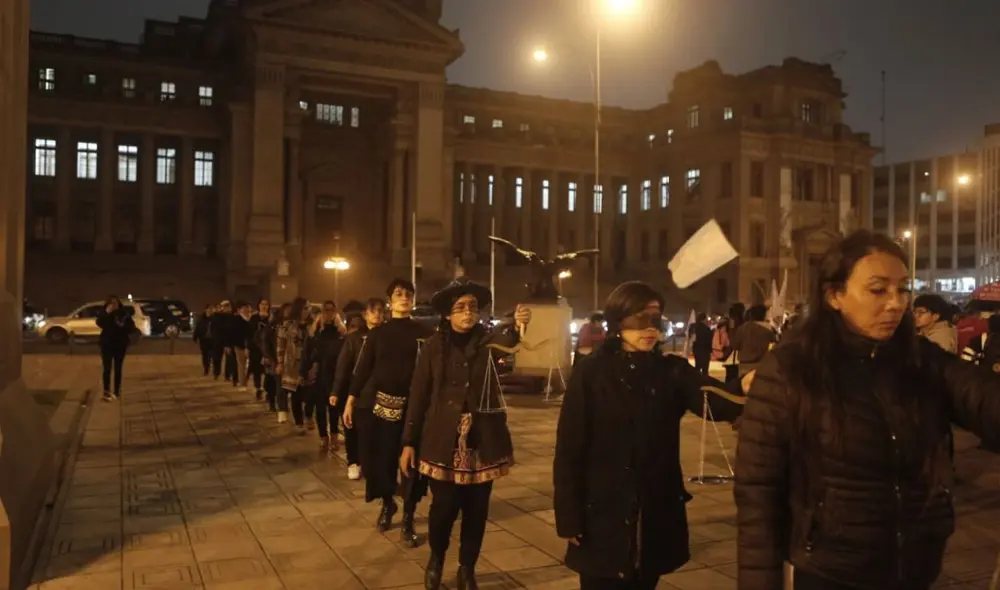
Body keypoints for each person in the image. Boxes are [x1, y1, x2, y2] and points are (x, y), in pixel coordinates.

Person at [734, 230, 1000, 590]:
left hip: (917, 569)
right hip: (831, 571)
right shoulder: (791, 370)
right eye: (878, 290)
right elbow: (758, 493)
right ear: (834, 295)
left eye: (903, 289)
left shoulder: (922, 362)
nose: (896, 303)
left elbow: (984, 399)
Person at [554, 281, 746, 590]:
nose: (650, 329)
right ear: (619, 322)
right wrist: (568, 515)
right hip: (600, 513)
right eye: (640, 318)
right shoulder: (591, 373)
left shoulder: (671, 372)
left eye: (656, 319)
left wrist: (751, 385)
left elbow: (717, 402)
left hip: (653, 511)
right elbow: (569, 449)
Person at [402, 278, 531, 590]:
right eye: (460, 307)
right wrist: (408, 442)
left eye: (472, 307)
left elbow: (508, 339)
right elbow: (419, 395)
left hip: (482, 440)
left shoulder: (488, 341)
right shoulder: (432, 347)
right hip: (442, 439)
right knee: (443, 507)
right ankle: (436, 559)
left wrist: (519, 325)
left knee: (477, 510)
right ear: (447, 314)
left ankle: (467, 568)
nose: (467, 313)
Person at [344, 278, 434, 548]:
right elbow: (362, 369)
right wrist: (350, 399)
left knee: (411, 466)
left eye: (408, 294)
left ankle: (408, 516)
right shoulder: (378, 334)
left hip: (415, 409)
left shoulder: (425, 333)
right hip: (382, 408)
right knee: (380, 464)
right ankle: (387, 505)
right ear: (390, 301)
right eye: (398, 294)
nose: (404, 297)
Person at [332, 297, 386, 481]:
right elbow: (343, 366)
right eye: (374, 311)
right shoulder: (355, 339)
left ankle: (371, 463)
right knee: (352, 428)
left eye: (380, 311)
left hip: (380, 391)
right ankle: (353, 461)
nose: (377, 315)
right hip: (356, 390)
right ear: (365, 315)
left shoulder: (388, 336)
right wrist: (336, 391)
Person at [301, 301, 345, 453]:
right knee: (320, 408)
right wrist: (304, 372)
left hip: (333, 375)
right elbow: (306, 355)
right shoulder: (314, 334)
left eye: (331, 311)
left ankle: (334, 435)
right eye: (326, 310)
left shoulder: (339, 334)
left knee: (333, 408)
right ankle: (323, 437)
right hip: (318, 376)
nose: (328, 313)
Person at [276, 297, 312, 430]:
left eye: (309, 308)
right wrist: (279, 363)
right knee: (296, 394)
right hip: (292, 364)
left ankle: (308, 416)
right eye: (305, 308)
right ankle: (298, 422)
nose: (307, 311)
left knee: (309, 394)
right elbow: (281, 345)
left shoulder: (313, 325)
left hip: (309, 364)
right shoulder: (287, 325)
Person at [97, 295, 136, 402]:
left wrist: (123, 325)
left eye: (115, 303)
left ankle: (116, 391)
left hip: (120, 343)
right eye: (111, 303)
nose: (114, 305)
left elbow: (131, 327)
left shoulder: (124, 313)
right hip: (107, 343)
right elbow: (99, 323)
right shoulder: (104, 313)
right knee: (107, 368)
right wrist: (107, 313)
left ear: (119, 304)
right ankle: (106, 390)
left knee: (118, 368)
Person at [730, 304, 776, 376]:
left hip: (744, 364)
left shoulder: (742, 328)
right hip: (761, 364)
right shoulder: (769, 328)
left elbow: (735, 345)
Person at [247, 298, 270, 401]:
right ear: (259, 305)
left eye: (266, 304)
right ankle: (258, 388)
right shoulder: (254, 318)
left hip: (268, 348)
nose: (264, 306)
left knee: (267, 370)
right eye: (262, 304)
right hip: (255, 348)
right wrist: (248, 347)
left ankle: (267, 389)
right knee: (256, 369)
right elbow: (249, 334)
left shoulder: (270, 318)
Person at [193, 303, 217, 377]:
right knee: (205, 355)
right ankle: (206, 369)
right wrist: (195, 337)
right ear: (205, 310)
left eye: (211, 309)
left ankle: (215, 371)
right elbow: (197, 328)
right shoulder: (201, 318)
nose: (210, 310)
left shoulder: (215, 318)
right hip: (204, 339)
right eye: (209, 309)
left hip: (213, 340)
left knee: (213, 356)